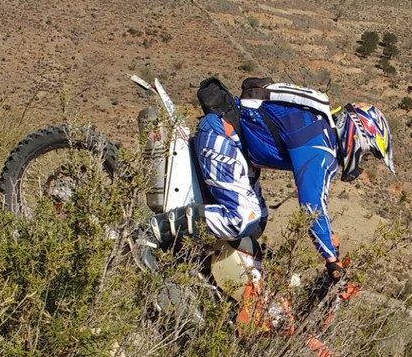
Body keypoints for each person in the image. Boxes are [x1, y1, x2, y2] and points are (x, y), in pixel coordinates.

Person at [134, 76, 395, 288]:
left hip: (233, 144)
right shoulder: (321, 146)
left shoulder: (320, 129)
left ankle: (196, 260)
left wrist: (330, 243)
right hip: (224, 137)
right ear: (357, 135)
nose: (362, 160)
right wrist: (331, 259)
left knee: (257, 223)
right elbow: (312, 208)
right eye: (367, 153)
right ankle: (151, 232)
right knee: (242, 217)